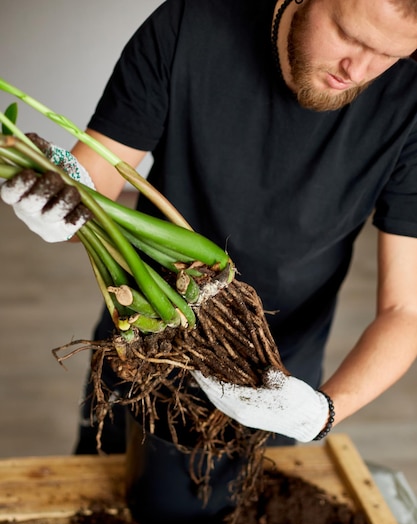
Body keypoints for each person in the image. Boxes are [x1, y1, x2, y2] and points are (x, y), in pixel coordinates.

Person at [2, 0, 417, 482]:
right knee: (103, 499)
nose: (360, 69)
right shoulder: (190, 25)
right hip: (144, 342)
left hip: (277, 375)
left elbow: (404, 311)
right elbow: (95, 183)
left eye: (390, 53)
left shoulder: (409, 99)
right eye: (350, 35)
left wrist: (322, 412)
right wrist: (61, 201)